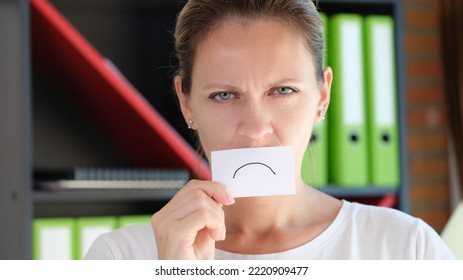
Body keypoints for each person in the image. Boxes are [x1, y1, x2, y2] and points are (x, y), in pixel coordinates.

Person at [85, 0, 455, 260]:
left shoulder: (407, 248)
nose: (255, 128)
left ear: (322, 96)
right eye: (224, 95)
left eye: (282, 90)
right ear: (186, 103)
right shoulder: (121, 257)